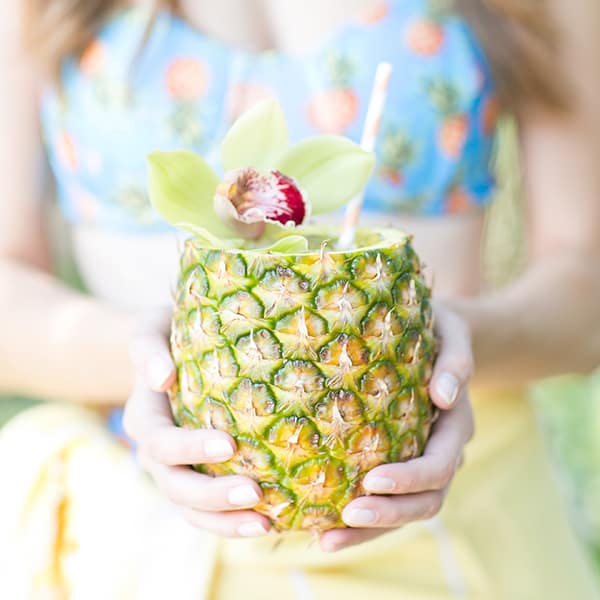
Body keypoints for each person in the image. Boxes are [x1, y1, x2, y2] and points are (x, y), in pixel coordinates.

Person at [0, 0, 599, 597]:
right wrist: (161, 360)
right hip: (129, 528)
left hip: (453, 512)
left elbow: (586, 288)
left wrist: (439, 341)